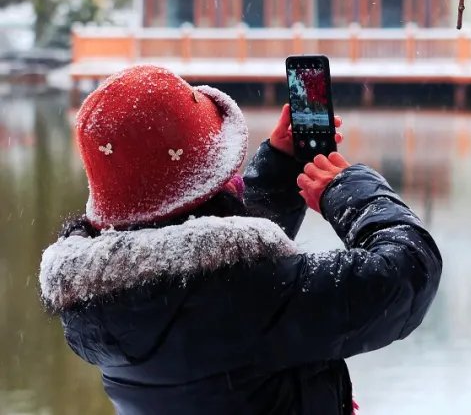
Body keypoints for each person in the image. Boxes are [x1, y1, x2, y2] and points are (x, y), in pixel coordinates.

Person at [38, 64, 442, 414]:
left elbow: (206, 254)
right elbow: (407, 270)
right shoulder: (254, 295)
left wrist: (280, 168)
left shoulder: (104, 302)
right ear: (208, 186)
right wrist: (347, 189)